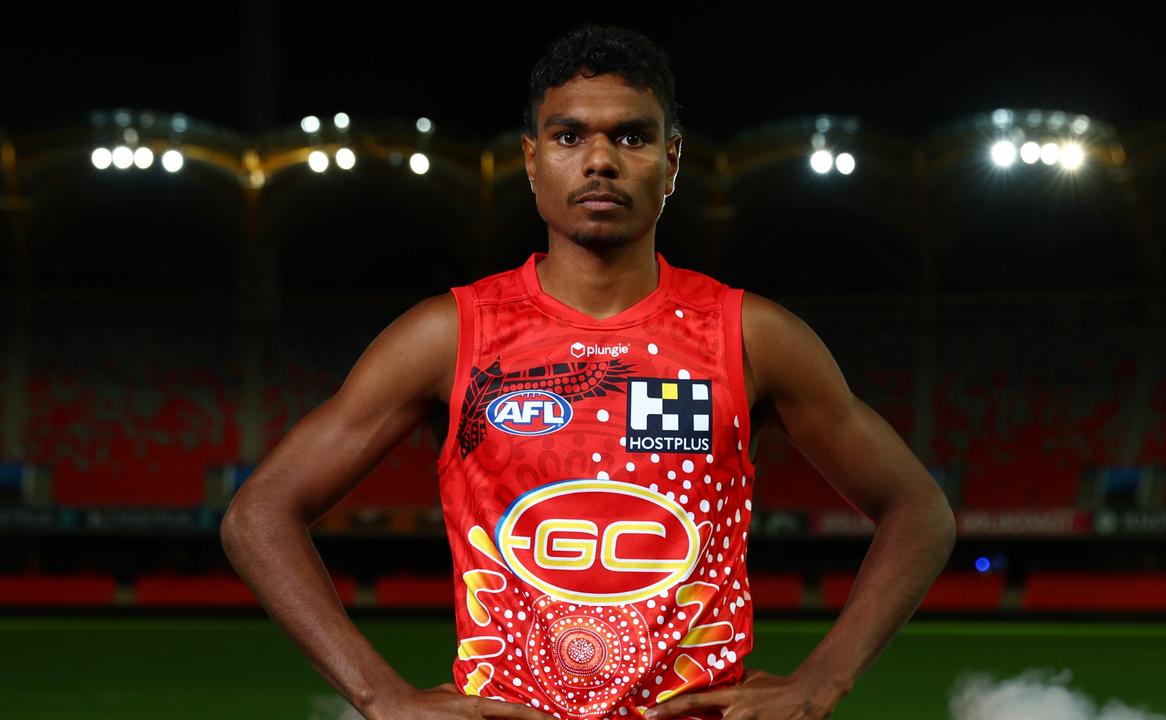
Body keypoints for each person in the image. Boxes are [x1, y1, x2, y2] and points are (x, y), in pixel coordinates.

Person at [221, 23, 955, 720]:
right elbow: (259, 515)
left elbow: (918, 510)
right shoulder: (448, 336)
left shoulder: (750, 335)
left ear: (671, 163)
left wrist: (825, 678)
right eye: (569, 135)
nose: (599, 160)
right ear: (533, 160)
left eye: (630, 136)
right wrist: (379, 694)